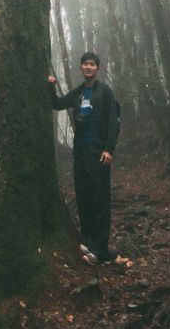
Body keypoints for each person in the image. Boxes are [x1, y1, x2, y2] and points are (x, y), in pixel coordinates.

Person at [48, 52, 119, 264]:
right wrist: (50, 85)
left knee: (100, 200)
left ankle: (100, 250)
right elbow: (58, 104)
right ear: (81, 68)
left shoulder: (105, 93)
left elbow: (113, 123)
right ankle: (88, 243)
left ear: (97, 68)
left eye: (92, 64)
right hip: (80, 154)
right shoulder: (78, 93)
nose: (88, 67)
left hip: (99, 156)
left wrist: (109, 149)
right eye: (85, 64)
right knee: (84, 198)